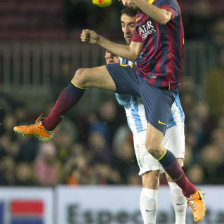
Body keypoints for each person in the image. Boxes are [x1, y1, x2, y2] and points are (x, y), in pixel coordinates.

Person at [13, 0, 205, 222]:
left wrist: (138, 2)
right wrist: (99, 40)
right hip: (139, 76)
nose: (123, 2)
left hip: (161, 87)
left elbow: (163, 18)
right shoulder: (141, 17)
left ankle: (192, 192)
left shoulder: (166, 3)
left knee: (154, 147)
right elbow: (134, 53)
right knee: (82, 75)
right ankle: (47, 127)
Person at [105, 7, 187, 224]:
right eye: (122, 25)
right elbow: (123, 101)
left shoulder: (157, 48)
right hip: (140, 122)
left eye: (131, 24)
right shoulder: (119, 56)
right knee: (150, 177)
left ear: (141, 25)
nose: (126, 30)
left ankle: (181, 221)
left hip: (169, 116)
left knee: (174, 174)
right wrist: (114, 75)